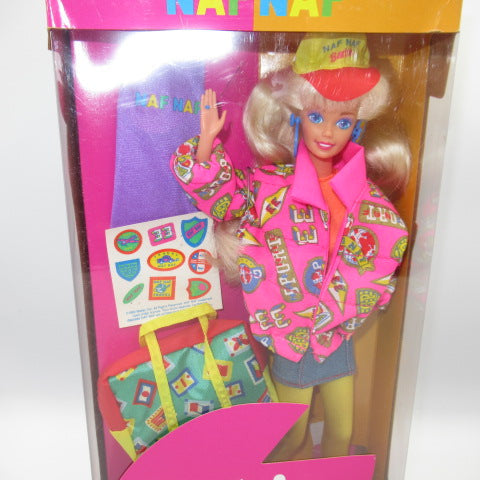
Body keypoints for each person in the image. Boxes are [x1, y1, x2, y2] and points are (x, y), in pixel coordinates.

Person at [170, 33, 409, 460]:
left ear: (357, 124)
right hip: (291, 340)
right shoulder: (269, 187)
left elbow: (386, 248)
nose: (328, 132)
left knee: (341, 433)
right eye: (317, 116)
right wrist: (205, 145)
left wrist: (375, 293)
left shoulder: (367, 199)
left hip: (336, 336)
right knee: (289, 438)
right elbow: (226, 200)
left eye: (343, 121)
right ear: (298, 116)